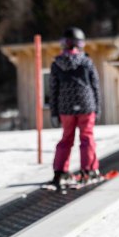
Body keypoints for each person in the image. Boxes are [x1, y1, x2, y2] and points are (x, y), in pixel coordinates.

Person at [49, 27, 101, 187]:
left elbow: (53, 90)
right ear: (81, 44)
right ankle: (88, 170)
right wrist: (97, 107)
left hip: (65, 107)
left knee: (66, 139)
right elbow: (95, 85)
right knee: (86, 137)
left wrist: (54, 112)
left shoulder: (56, 64)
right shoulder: (86, 61)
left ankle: (60, 172)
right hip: (86, 104)